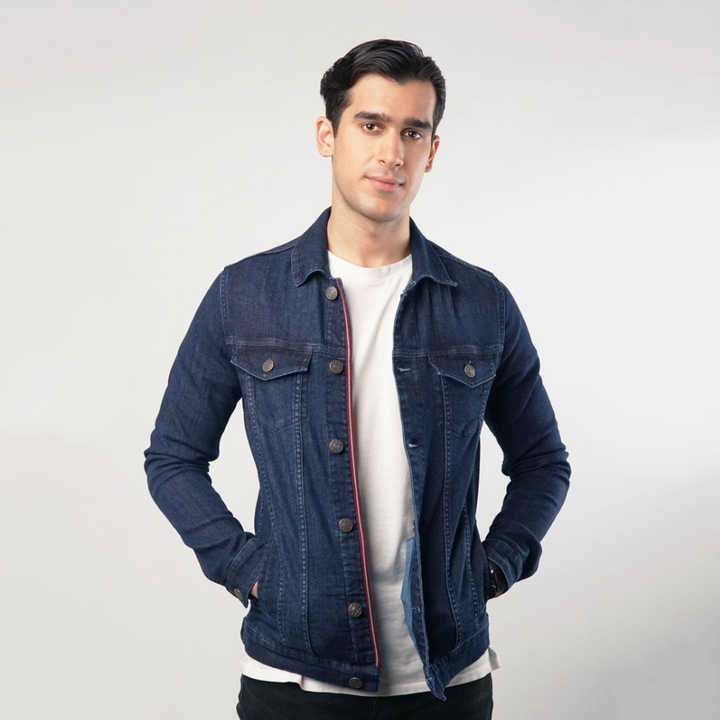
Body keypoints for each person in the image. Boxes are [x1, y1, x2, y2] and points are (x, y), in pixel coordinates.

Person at [143, 38, 571, 720]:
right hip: (294, 679)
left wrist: (494, 566)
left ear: (432, 151)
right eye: (371, 125)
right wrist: (250, 571)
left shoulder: (481, 303)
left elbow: (543, 461)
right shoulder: (244, 296)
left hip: (447, 680)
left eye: (412, 132)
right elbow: (173, 457)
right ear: (328, 135)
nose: (392, 152)